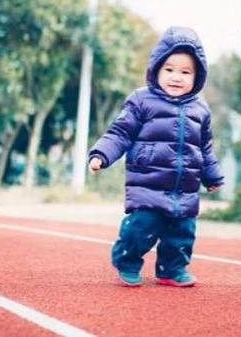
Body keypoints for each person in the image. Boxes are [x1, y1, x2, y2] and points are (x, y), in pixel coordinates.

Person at [88, 26, 224, 288]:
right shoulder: (141, 100)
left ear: (197, 76)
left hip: (184, 189)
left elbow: (205, 147)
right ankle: (127, 261)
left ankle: (171, 269)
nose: (176, 77)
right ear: (157, 69)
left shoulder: (200, 108)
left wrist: (212, 175)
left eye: (185, 72)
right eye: (169, 69)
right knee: (141, 228)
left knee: (182, 233)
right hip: (148, 183)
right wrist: (102, 155)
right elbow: (120, 133)